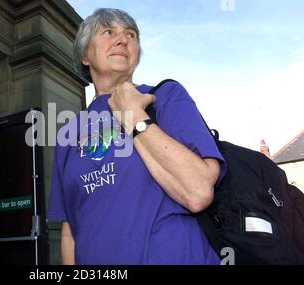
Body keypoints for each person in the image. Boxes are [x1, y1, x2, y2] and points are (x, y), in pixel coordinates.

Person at [47, 8, 227, 265]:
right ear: (85, 55)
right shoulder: (67, 134)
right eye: (109, 32)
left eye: (130, 35)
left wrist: (132, 114)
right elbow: (69, 231)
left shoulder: (165, 97)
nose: (123, 39)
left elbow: (198, 191)